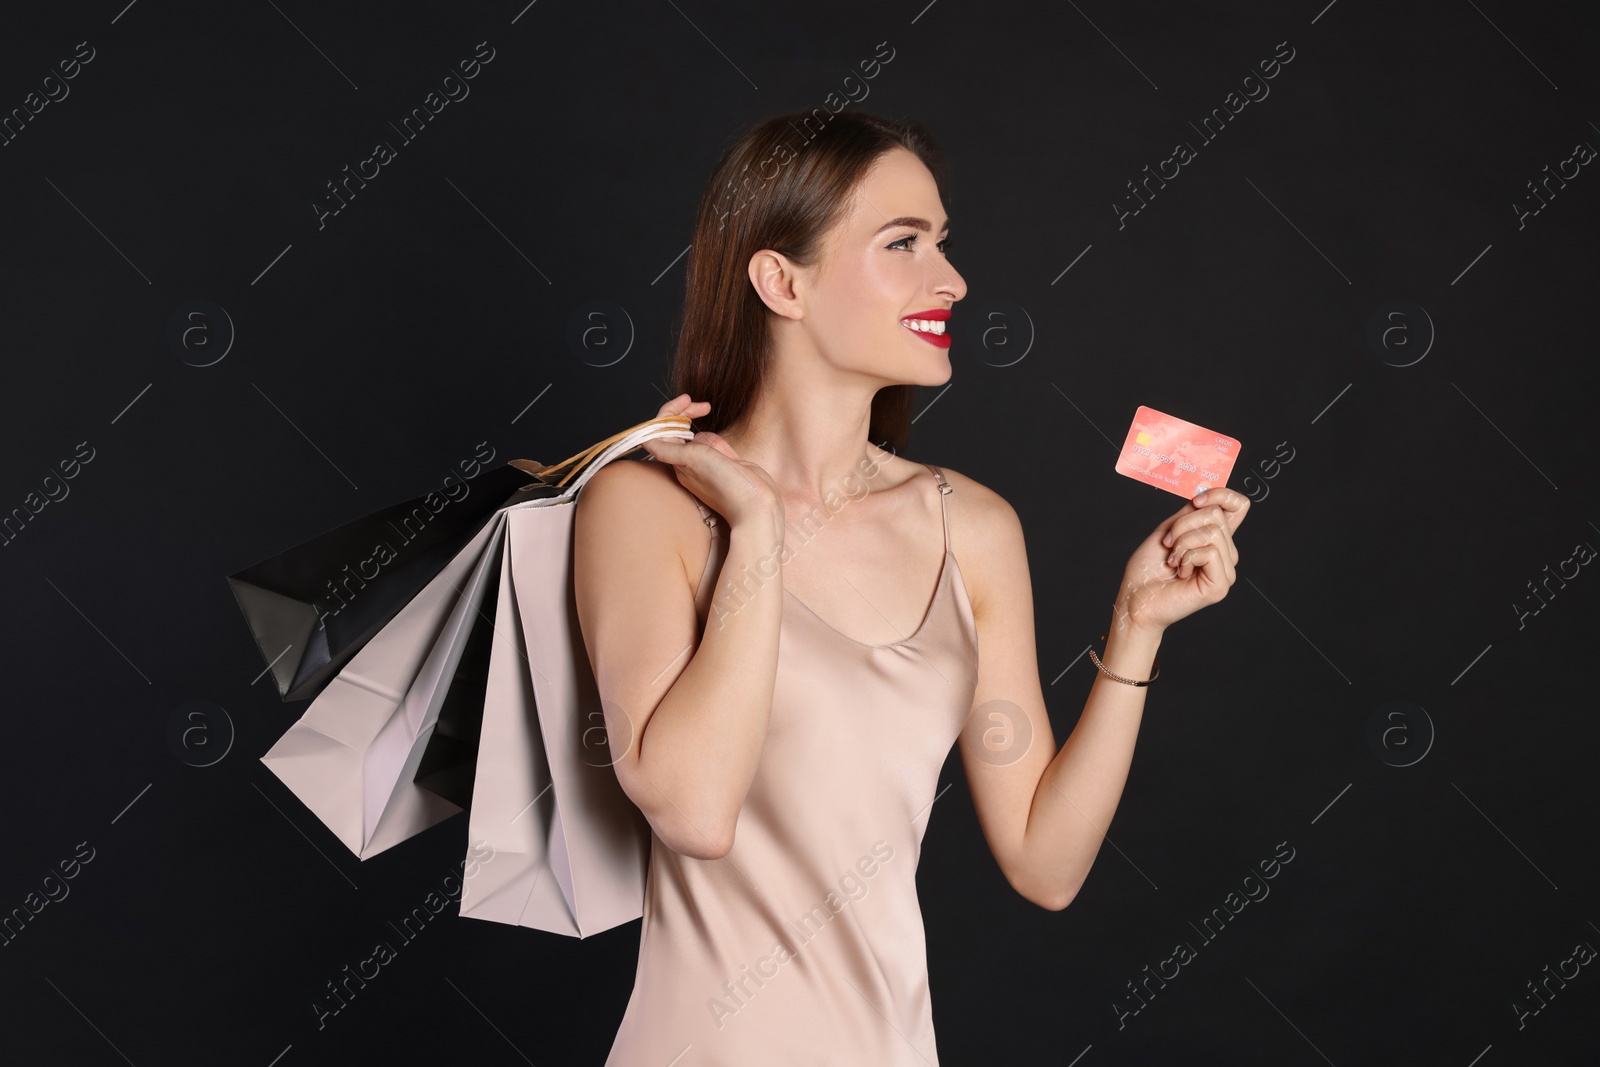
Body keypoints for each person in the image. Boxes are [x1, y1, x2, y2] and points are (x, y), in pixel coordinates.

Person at [573, 110, 1248, 1066]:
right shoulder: (646, 505)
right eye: (904, 243)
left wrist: (1135, 628)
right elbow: (694, 809)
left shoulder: (971, 527)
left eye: (943, 242)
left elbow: (1044, 863)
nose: (953, 280)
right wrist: (759, 527)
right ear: (781, 282)